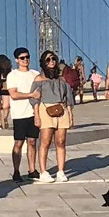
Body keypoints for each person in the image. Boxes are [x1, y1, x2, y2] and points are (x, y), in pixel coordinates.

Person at [34, 51, 76, 182]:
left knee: (61, 141)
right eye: (48, 60)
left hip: (61, 109)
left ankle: (61, 171)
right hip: (45, 109)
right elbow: (35, 99)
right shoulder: (39, 79)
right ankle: (43, 171)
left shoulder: (61, 80)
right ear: (43, 63)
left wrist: (70, 114)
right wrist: (36, 115)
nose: (51, 61)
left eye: (53, 59)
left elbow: (68, 99)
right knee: (45, 141)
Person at [4, 47, 40, 180]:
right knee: (18, 143)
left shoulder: (35, 74)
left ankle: (32, 169)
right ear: (17, 60)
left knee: (32, 141)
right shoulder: (12, 75)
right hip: (19, 114)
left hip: (33, 113)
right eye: (22, 58)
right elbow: (13, 94)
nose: (25, 60)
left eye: (27, 57)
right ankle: (16, 170)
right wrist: (31, 94)